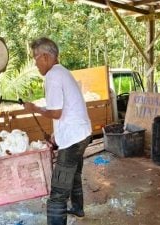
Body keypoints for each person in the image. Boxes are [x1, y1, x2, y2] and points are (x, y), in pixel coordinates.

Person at [23, 37, 92, 225]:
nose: (35, 63)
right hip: (82, 133)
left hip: (73, 139)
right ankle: (77, 208)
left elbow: (55, 112)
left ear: (45, 56)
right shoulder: (63, 72)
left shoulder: (53, 75)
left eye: (35, 58)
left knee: (58, 192)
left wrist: (33, 108)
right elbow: (69, 108)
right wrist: (56, 134)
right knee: (74, 174)